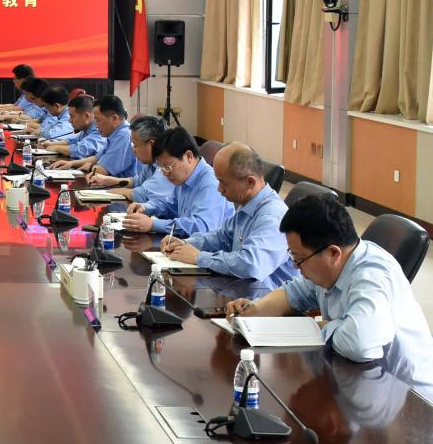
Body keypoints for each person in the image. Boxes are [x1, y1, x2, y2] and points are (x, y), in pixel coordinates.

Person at [226, 195, 433, 401]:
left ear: (333, 253)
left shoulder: (372, 277)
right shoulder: (328, 264)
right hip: (359, 382)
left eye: (299, 259)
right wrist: (254, 310)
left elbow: (358, 344)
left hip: (408, 399)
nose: (296, 267)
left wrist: (323, 326)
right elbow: (295, 292)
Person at [160, 143, 297, 286]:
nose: (219, 189)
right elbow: (221, 237)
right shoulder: (248, 204)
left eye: (223, 183)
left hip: (266, 295)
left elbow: (250, 264)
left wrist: (198, 257)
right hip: (244, 289)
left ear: (250, 181)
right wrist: (186, 243)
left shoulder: (272, 217)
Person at [122, 127, 233, 237]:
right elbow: (170, 205)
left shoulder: (210, 183)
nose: (165, 173)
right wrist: (146, 207)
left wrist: (153, 224)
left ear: (188, 156)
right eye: (161, 168)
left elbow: (201, 226)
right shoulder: (183, 178)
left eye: (168, 167)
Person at [89, 115, 174, 203]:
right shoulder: (151, 163)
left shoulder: (166, 167)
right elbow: (137, 182)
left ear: (151, 144)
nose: (133, 150)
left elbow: (142, 195)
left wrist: (108, 193)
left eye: (135, 145)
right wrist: (106, 180)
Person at [51, 95, 136, 178]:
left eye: (98, 120)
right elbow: (96, 158)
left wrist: (91, 166)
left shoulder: (124, 135)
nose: (96, 125)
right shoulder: (114, 134)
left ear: (114, 118)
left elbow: (103, 170)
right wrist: (71, 163)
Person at [39, 93, 105, 158]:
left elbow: (82, 149)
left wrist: (56, 148)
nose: (69, 121)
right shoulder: (86, 129)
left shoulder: (99, 128)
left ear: (86, 116)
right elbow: (73, 140)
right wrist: (51, 143)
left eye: (72, 116)